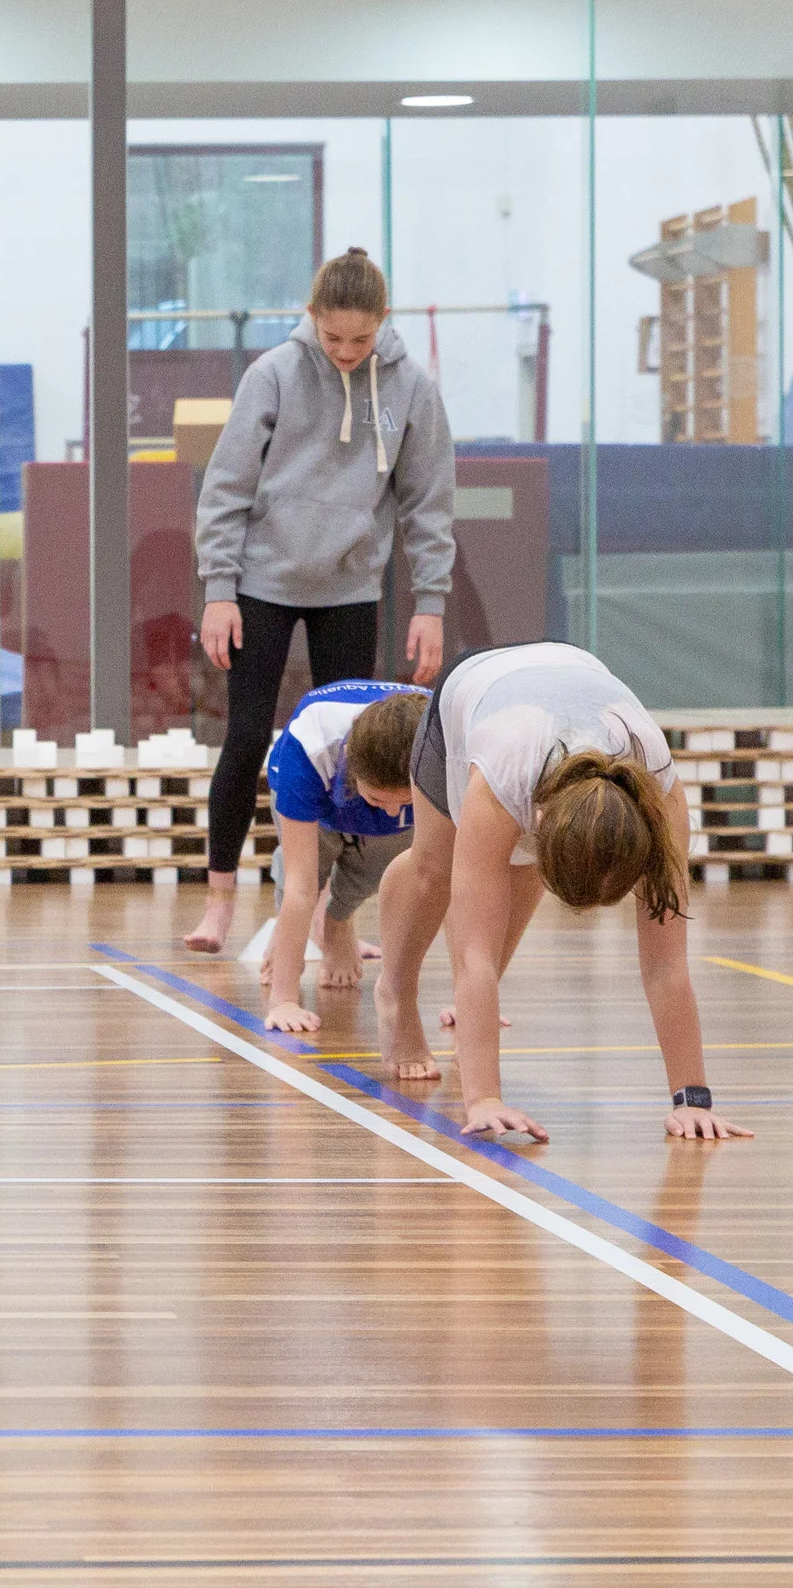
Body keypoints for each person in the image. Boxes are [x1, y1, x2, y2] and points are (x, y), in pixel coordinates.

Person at [186, 247, 457, 954]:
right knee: (247, 737)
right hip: (260, 583)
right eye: (332, 338)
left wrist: (430, 600)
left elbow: (428, 500)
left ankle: (336, 914)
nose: (344, 352)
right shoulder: (273, 373)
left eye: (360, 341)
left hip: (350, 586)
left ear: (383, 324)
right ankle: (220, 900)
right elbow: (227, 488)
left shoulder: (411, 387)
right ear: (311, 320)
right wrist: (219, 589)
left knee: (357, 755)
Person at [375, 641, 748, 1143]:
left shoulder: (663, 800)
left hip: (567, 676)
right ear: (540, 820)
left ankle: (470, 1028)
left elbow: (666, 965)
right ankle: (396, 995)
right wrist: (484, 1098)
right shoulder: (500, 785)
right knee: (434, 869)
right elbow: (473, 957)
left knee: (519, 873)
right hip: (473, 691)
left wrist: (692, 1099)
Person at [257, 681, 426, 1033]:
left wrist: (469, 1001)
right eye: (380, 799)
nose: (392, 810)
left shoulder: (443, 747)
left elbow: (450, 881)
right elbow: (301, 888)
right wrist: (283, 999)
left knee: (381, 869)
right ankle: (293, 940)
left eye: (404, 801)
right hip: (312, 791)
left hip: (400, 781)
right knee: (306, 867)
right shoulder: (308, 746)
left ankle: (337, 920)